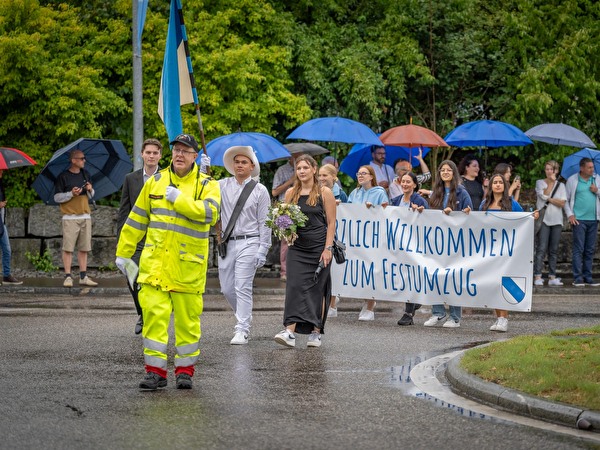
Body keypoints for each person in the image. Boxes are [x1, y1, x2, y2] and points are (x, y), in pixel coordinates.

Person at [115, 133, 220, 390]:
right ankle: (155, 373)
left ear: (195, 156)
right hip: (155, 266)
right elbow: (137, 219)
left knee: (187, 324)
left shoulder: (208, 185)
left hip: (187, 267)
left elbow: (210, 213)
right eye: (176, 150)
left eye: (185, 151)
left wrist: (180, 200)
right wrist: (123, 252)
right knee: (153, 319)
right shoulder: (156, 182)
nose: (179, 154)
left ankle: (185, 372)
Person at [274, 154, 336, 348]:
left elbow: (331, 223)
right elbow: (286, 218)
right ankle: (289, 331)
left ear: (314, 169)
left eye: (305, 168)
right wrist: (283, 229)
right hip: (297, 248)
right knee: (293, 287)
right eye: (298, 168)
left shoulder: (324, 192)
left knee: (317, 289)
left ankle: (316, 331)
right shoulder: (291, 192)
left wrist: (328, 248)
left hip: (318, 247)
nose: (301, 171)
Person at [218, 145, 271, 345]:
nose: (239, 165)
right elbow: (203, 189)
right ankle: (244, 315)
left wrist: (263, 249)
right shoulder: (222, 185)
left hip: (250, 241)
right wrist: (203, 172)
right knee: (227, 289)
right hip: (227, 242)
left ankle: (242, 329)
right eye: (237, 162)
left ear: (252, 166)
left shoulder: (259, 190)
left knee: (242, 286)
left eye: (244, 162)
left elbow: (264, 221)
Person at [116, 138, 163, 334]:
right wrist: (120, 242)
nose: (151, 156)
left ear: (160, 155)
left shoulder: (167, 178)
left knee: (154, 280)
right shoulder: (131, 179)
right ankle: (142, 314)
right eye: (148, 152)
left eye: (155, 153)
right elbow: (123, 211)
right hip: (135, 238)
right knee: (132, 276)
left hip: (159, 237)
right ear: (142, 154)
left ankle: (153, 315)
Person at [423, 160, 472, 328]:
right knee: (434, 276)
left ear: (453, 173)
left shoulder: (461, 193)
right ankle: (438, 312)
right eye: (442, 170)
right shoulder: (435, 192)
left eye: (448, 170)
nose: (445, 172)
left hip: (455, 243)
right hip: (436, 242)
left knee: (453, 278)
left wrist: (456, 213)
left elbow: (469, 215)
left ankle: (455, 316)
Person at [479, 173, 526, 332]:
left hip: (505, 251)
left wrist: (533, 215)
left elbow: (523, 218)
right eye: (495, 182)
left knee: (501, 284)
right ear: (490, 186)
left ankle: (504, 318)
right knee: (491, 284)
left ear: (504, 186)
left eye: (500, 182)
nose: (498, 185)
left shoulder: (511, 203)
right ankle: (498, 317)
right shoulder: (484, 204)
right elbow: (476, 223)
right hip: (488, 250)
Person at [348, 165, 389, 321]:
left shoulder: (379, 192)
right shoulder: (355, 192)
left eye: (364, 173)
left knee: (372, 271)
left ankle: (370, 305)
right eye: (358, 173)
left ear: (371, 176)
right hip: (357, 238)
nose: (360, 176)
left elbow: (386, 212)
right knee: (360, 271)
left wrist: (374, 209)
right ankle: (365, 300)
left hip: (373, 238)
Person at [53, 149, 98, 287]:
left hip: (85, 216)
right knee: (68, 248)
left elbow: (92, 196)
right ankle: (68, 277)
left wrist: (90, 189)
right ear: (73, 160)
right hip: (69, 217)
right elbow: (57, 197)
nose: (84, 160)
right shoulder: (63, 177)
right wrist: (71, 194)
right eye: (81, 158)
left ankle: (83, 276)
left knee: (84, 248)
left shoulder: (86, 174)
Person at [390, 172, 428, 326]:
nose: (405, 184)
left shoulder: (420, 200)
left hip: (414, 244)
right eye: (403, 181)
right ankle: (415, 301)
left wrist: (419, 212)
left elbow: (429, 218)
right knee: (403, 275)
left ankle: (408, 313)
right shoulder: (396, 200)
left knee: (410, 275)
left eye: (408, 182)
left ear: (414, 184)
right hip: (399, 243)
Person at [564, 157, 600, 287]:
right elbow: (565, 200)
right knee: (579, 249)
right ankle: (578, 278)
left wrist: (597, 191)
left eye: (592, 167)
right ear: (582, 168)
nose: (592, 169)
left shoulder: (597, 179)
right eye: (589, 167)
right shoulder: (572, 180)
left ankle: (588, 277)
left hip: (593, 219)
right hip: (579, 220)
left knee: (590, 250)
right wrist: (570, 215)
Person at [534, 160, 566, 287]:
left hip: (557, 220)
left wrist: (550, 199)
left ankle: (552, 276)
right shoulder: (540, 183)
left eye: (551, 169)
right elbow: (543, 195)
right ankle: (538, 275)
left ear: (556, 171)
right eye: (547, 169)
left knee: (554, 249)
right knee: (541, 248)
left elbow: (562, 203)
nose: (549, 171)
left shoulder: (562, 186)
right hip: (544, 220)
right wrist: (551, 184)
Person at [272, 152, 302, 281]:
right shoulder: (282, 170)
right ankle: (284, 272)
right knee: (286, 241)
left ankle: (298, 270)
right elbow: (274, 191)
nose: (297, 160)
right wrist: (291, 180)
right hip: (285, 208)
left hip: (301, 207)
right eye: (295, 157)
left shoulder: (305, 170)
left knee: (301, 239)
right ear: (290, 157)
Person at [0, 169, 22, 285]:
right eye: (0, 169)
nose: (2, 171)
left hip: (1, 223)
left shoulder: (1, 183)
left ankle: (6, 275)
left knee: (7, 250)